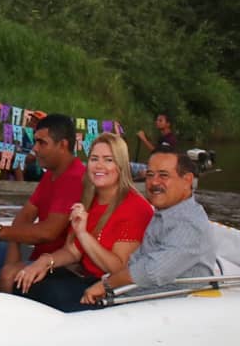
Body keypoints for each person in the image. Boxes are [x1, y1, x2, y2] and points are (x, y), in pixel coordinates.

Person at [12, 133, 153, 312]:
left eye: (108, 160)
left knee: (46, 293)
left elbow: (117, 268)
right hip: (83, 276)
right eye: (94, 159)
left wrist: (83, 234)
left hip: (112, 290)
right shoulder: (91, 199)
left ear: (121, 166)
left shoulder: (136, 207)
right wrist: (45, 261)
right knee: (23, 281)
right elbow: (73, 250)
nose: (99, 165)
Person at [81, 150, 218, 304]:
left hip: (167, 307)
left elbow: (152, 271)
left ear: (187, 180)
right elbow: (137, 260)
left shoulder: (189, 224)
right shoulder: (165, 213)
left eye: (163, 175)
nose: (154, 182)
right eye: (150, 175)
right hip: (134, 297)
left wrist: (105, 285)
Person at [0, 114, 85, 292]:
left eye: (42, 143)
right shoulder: (51, 173)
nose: (35, 149)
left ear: (63, 145)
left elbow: (48, 232)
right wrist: (10, 248)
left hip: (61, 263)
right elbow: (25, 215)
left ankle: (7, 313)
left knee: (8, 273)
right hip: (36, 255)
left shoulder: (75, 178)